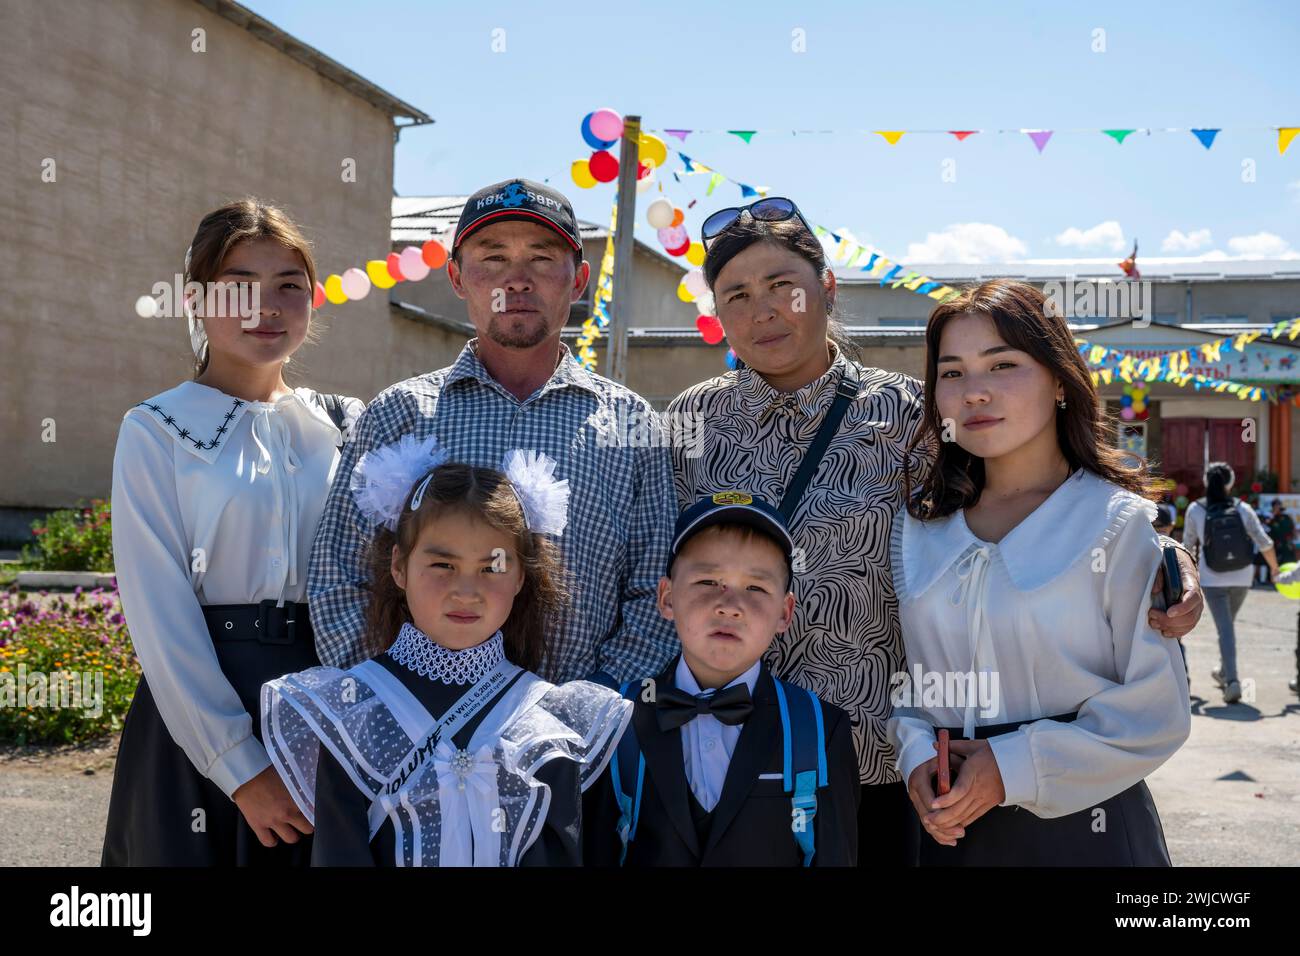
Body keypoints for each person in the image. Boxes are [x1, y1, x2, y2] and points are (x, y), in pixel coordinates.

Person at [666, 197, 1204, 866]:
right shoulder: (693, 419)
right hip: (732, 755)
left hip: (883, 769)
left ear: (826, 289)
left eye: (783, 286)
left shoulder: (911, 413)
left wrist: (1163, 554)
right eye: (737, 294)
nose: (763, 310)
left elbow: (1022, 495)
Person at [309, 179, 678, 686]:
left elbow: (655, 598)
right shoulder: (397, 414)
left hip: (574, 749)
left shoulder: (632, 427)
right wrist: (395, 708)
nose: (517, 281)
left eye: (542, 259)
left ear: (579, 280)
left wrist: (583, 719)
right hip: (411, 744)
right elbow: (339, 581)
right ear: (458, 277)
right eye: (494, 258)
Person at [888, 278, 1190, 865]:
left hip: (1086, 832)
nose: (975, 392)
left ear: (1058, 379)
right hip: (948, 828)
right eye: (952, 373)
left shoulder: (1115, 524)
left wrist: (1011, 768)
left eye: (1002, 365)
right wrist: (916, 752)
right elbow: (909, 680)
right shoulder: (919, 527)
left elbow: (1158, 711)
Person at [103, 199, 365, 865]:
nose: (267, 307)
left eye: (289, 287)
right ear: (195, 300)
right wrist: (239, 766)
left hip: (324, 710)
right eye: (240, 285)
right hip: (199, 719)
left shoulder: (347, 425)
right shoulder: (156, 430)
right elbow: (160, 616)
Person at [262, 436, 631, 865]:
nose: (466, 591)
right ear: (399, 566)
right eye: (443, 565)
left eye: (492, 567)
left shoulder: (551, 722)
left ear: (519, 577)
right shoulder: (352, 714)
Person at [584, 493, 859, 866]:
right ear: (666, 598)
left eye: (756, 588)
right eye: (708, 580)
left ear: (785, 612)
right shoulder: (617, 721)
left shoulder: (818, 729)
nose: (729, 604)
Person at [1183, 463, 1279, 704]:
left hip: (1212, 578)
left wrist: (1186, 578)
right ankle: (1225, 672)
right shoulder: (1243, 508)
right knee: (1227, 626)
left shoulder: (1196, 509)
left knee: (1226, 629)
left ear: (1206, 482)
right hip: (1242, 576)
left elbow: (1186, 547)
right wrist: (1275, 570)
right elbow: (1264, 542)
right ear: (1230, 483)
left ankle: (1233, 681)